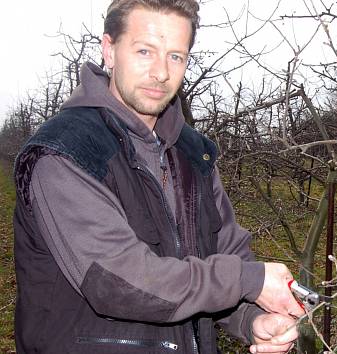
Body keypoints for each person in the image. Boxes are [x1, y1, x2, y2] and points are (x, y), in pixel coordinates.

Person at [12, 0, 304, 353]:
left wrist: (253, 320)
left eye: (176, 56)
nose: (162, 72)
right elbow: (119, 281)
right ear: (109, 50)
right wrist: (248, 281)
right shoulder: (65, 153)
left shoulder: (194, 154)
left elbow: (226, 253)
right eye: (145, 51)